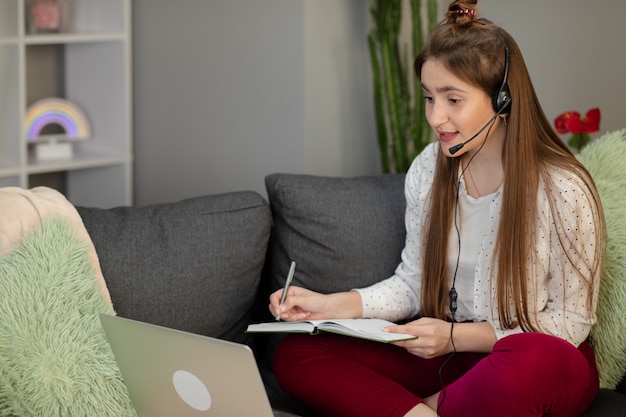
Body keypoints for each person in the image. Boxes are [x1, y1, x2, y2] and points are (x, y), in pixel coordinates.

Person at [268, 1, 606, 416]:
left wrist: (455, 338)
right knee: (297, 352)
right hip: (448, 353)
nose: (436, 117)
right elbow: (412, 284)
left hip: (527, 356)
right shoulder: (429, 168)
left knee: (536, 356)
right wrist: (330, 305)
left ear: (502, 100)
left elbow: (569, 323)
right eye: (430, 98)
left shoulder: (563, 188)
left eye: (453, 99)